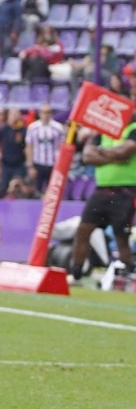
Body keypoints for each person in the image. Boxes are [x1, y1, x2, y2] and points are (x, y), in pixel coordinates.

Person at [71, 119, 136, 282]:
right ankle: (76, 272)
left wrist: (101, 153)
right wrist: (116, 156)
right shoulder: (103, 131)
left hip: (126, 190)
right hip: (101, 190)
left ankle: (129, 272)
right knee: (83, 230)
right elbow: (87, 156)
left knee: (121, 236)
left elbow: (125, 152)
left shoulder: (133, 129)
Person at [25, 104, 65, 191]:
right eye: (43, 112)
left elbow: (62, 147)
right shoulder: (33, 128)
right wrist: (30, 166)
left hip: (54, 164)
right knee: (37, 190)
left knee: (53, 190)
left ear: (51, 113)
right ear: (39, 113)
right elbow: (29, 147)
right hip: (38, 163)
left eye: (48, 112)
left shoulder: (58, 128)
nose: (45, 115)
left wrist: (62, 165)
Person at [0, 108, 28, 193]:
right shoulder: (3, 129)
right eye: (12, 114)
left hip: (19, 163)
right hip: (6, 163)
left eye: (16, 114)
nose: (14, 117)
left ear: (19, 116)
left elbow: (27, 145)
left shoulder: (23, 130)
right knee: (3, 187)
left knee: (16, 186)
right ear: (8, 116)